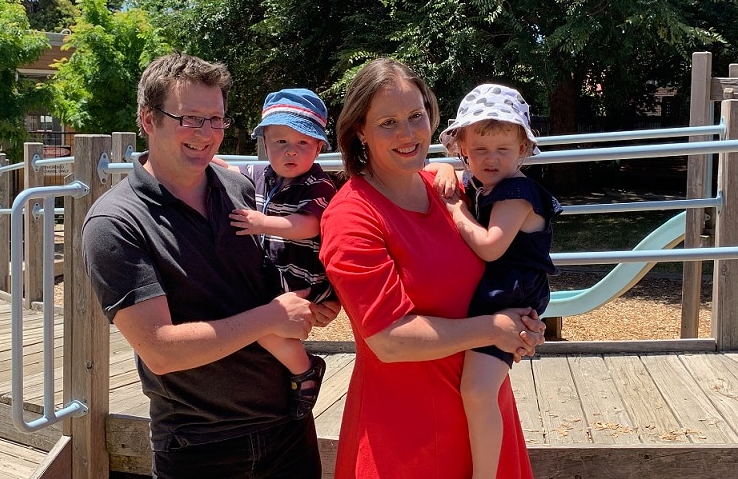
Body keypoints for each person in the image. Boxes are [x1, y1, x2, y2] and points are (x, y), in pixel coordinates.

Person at [81, 53, 340, 478]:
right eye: (190, 118)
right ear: (149, 120)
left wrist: (314, 303)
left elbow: (267, 276)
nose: (206, 134)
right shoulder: (116, 223)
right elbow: (160, 350)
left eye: (216, 119)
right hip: (201, 441)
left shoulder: (239, 189)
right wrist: (273, 316)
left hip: (287, 424)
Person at [318, 58, 545, 478]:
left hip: (482, 419)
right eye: (388, 122)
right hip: (407, 435)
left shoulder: (450, 189)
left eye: (416, 116)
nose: (407, 134)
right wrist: (496, 329)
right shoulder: (352, 217)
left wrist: (524, 324)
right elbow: (389, 339)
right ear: (359, 132)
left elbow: (506, 270)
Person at [431, 83, 562, 479]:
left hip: (511, 294)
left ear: (523, 149)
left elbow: (490, 247)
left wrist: (454, 208)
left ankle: (484, 475)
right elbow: (445, 172)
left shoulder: (516, 193)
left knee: (477, 391)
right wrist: (444, 169)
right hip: (500, 294)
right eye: (480, 150)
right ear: (463, 149)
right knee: (475, 389)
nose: (491, 159)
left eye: (503, 150)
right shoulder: (488, 185)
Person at [218, 88, 338, 419]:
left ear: (317, 147)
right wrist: (208, 158)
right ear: (265, 144)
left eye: (302, 143)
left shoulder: (318, 184)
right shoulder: (259, 175)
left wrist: (262, 223)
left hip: (304, 276)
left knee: (266, 323)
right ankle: (288, 370)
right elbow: (227, 171)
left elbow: (309, 225)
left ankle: (305, 372)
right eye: (280, 142)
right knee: (257, 319)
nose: (290, 152)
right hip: (273, 273)